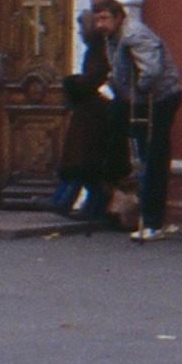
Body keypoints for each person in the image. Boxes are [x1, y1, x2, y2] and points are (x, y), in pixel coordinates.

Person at [87, 0, 182, 240]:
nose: (99, 24)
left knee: (152, 156)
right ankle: (120, 207)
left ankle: (152, 221)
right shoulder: (112, 37)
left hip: (157, 99)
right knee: (135, 152)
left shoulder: (134, 35)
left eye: (104, 18)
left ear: (119, 17)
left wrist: (136, 93)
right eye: (97, 19)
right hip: (138, 99)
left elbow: (151, 71)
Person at [52, 26, 130, 226]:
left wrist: (72, 84)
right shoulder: (100, 47)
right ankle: (92, 207)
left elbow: (94, 78)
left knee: (82, 166)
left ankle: (65, 202)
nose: (79, 34)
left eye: (82, 29)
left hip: (95, 116)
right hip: (98, 114)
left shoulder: (99, 49)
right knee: (90, 168)